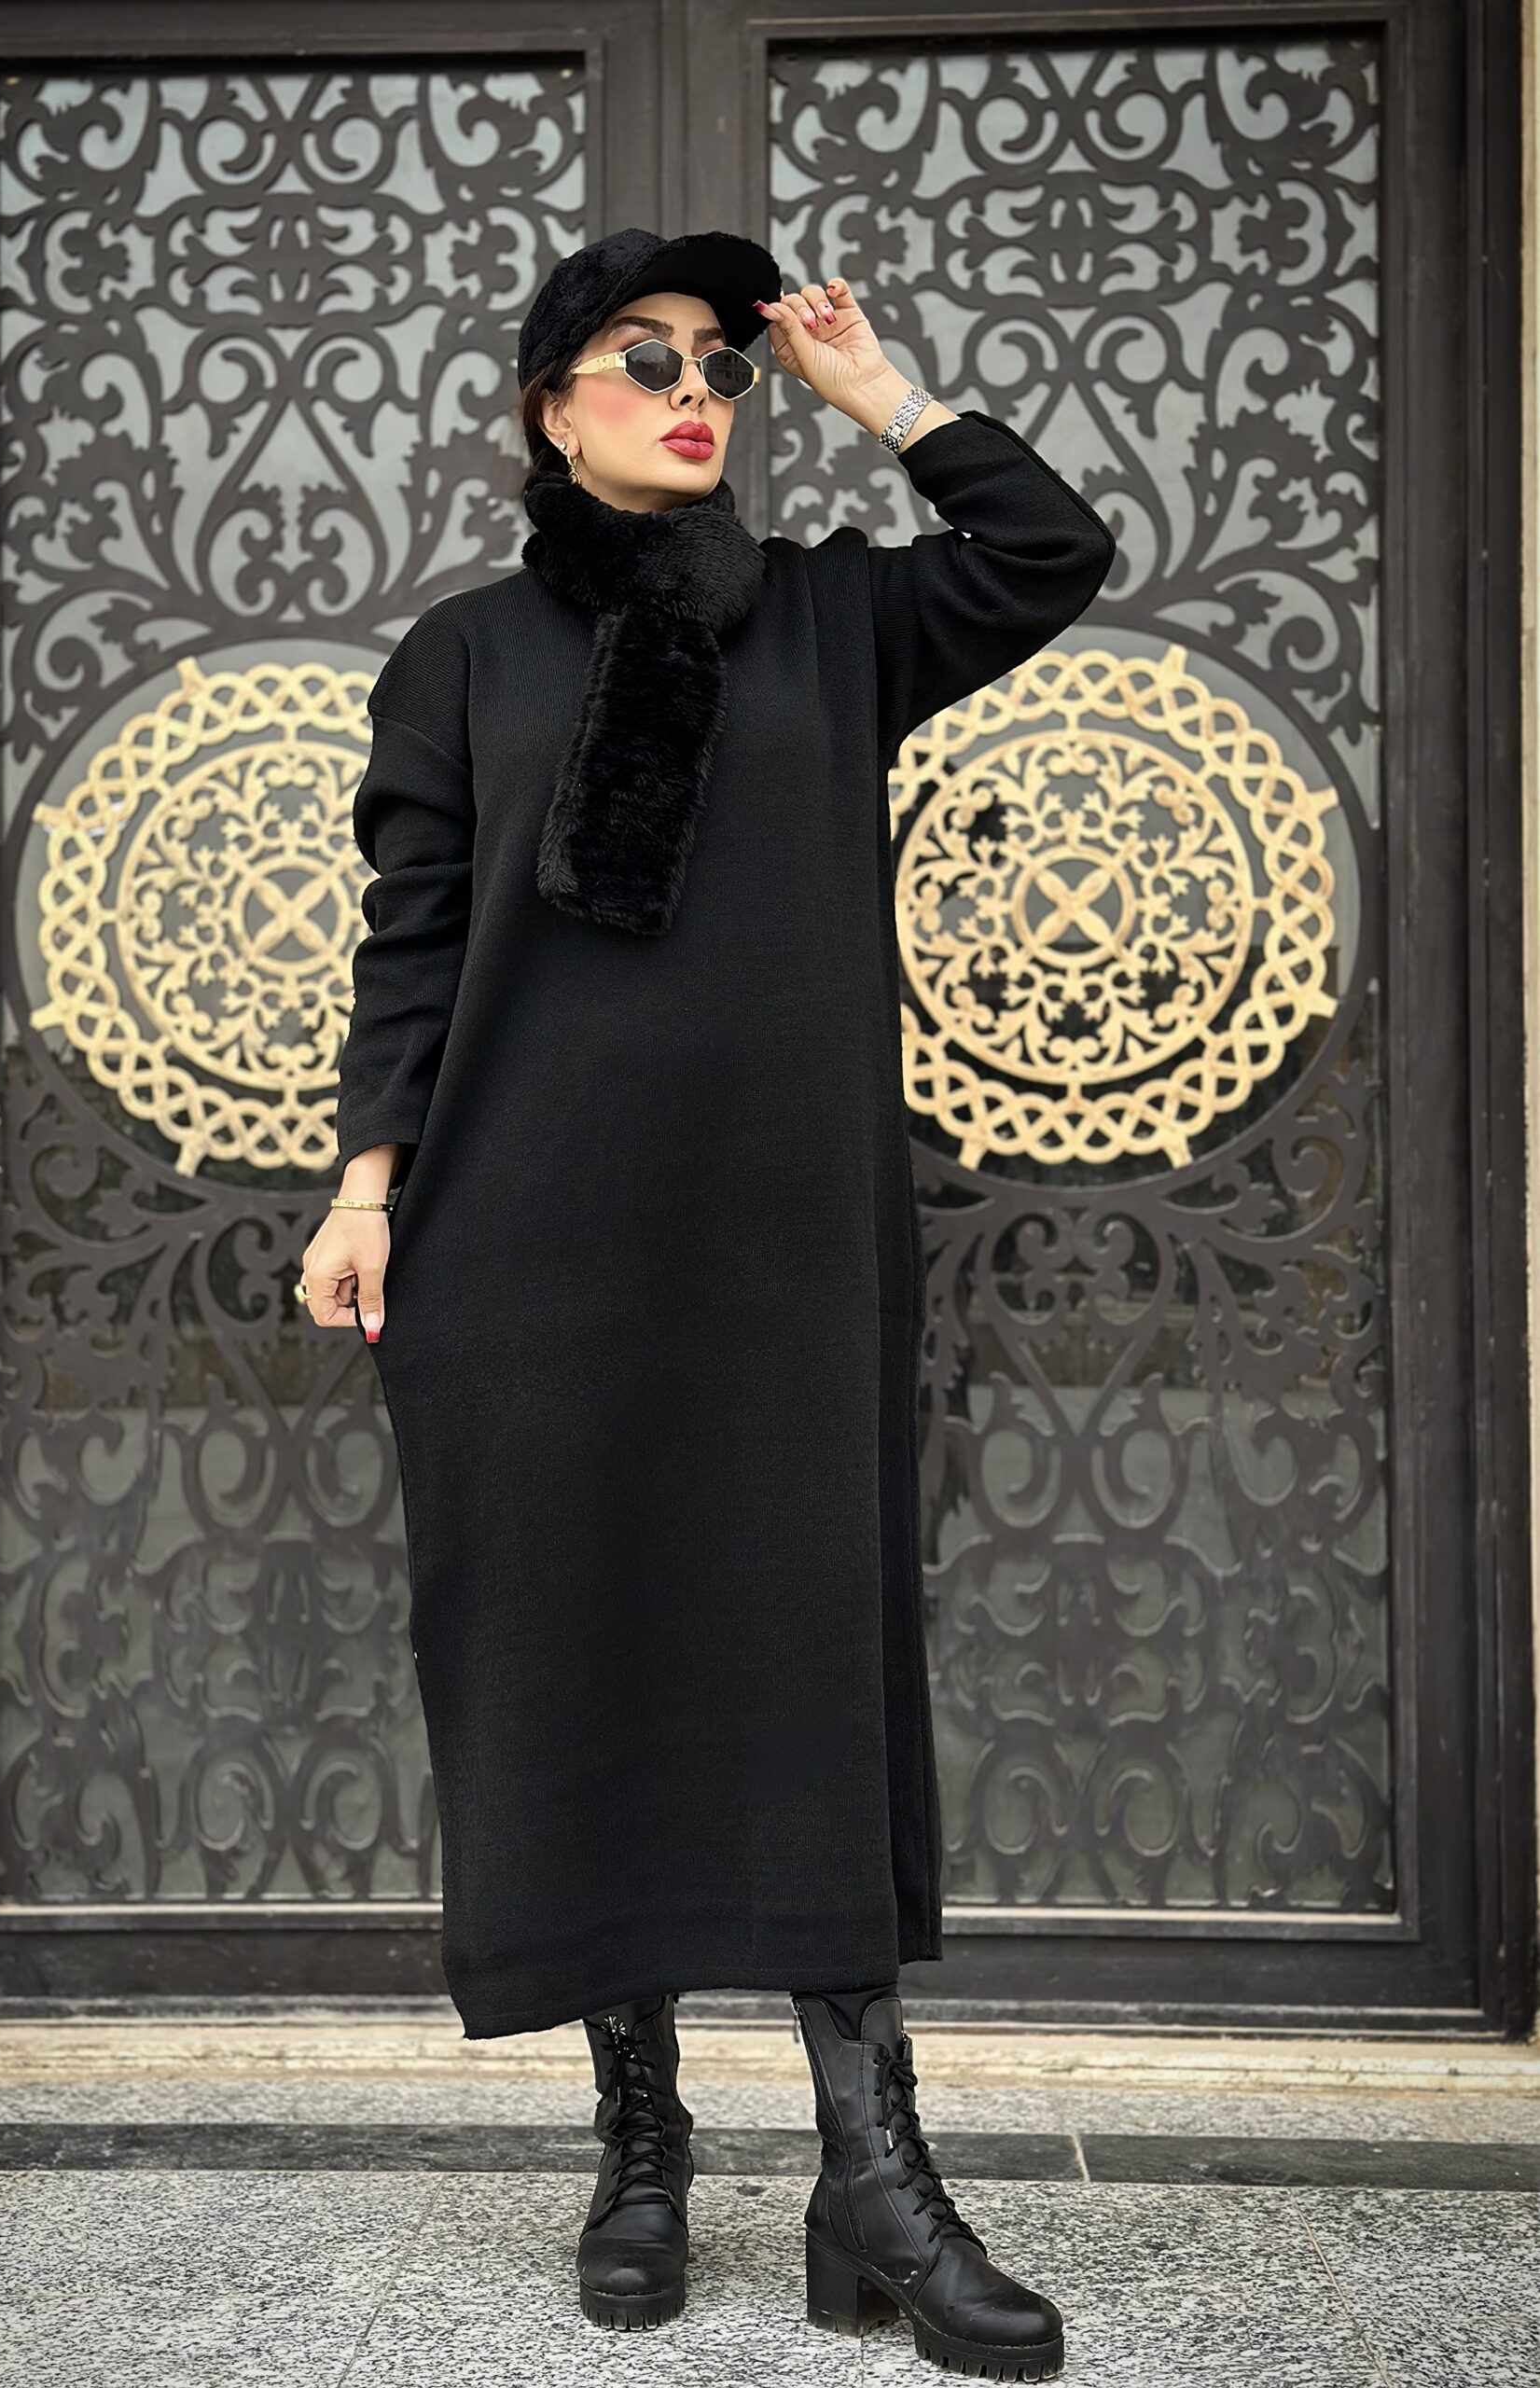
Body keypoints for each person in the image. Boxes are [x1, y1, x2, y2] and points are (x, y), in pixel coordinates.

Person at [300, 227, 1114, 2379]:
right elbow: (411, 941)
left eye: (719, 367)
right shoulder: (463, 656)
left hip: (780, 1253)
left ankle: (875, 2172)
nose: (693, 392)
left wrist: (878, 389)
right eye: (642, 357)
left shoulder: (834, 618)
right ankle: (641, 2144)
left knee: (810, 1662)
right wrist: (367, 1186)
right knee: (590, 1659)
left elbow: (1050, 550)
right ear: (549, 405)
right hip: (532, 1246)